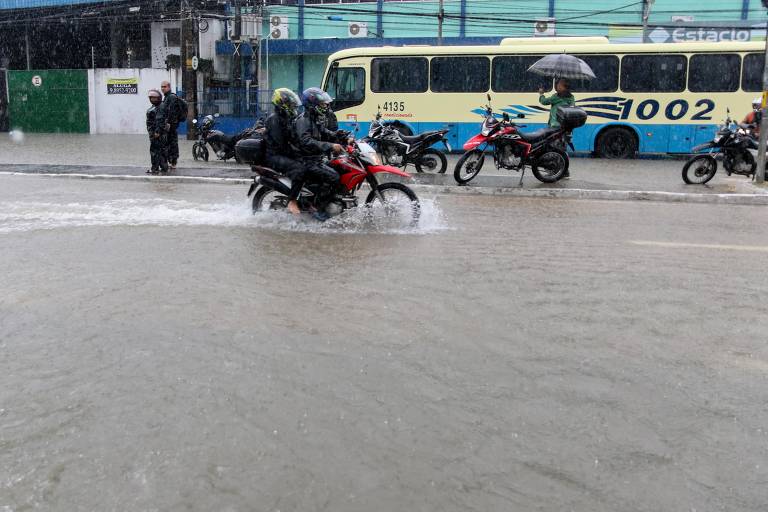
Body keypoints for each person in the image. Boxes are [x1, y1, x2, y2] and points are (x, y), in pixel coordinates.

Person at [294, 87, 348, 220]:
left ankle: (332, 201)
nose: (325, 106)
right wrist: (330, 146)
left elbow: (325, 132)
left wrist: (341, 137)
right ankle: (319, 209)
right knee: (334, 177)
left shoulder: (314, 118)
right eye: (322, 104)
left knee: (340, 168)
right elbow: (306, 141)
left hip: (316, 158)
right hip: (306, 160)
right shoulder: (303, 120)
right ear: (313, 105)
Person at [264, 88, 305, 216]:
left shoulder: (286, 118)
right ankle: (292, 200)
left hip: (282, 153)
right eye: (291, 104)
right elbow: (281, 144)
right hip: (274, 156)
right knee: (299, 169)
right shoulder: (274, 119)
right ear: (282, 104)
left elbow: (294, 138)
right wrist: (298, 153)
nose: (293, 107)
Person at [539, 78, 576, 179]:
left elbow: (544, 102)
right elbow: (572, 108)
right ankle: (564, 171)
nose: (556, 86)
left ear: (565, 87)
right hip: (566, 128)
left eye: (559, 84)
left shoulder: (556, 97)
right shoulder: (571, 97)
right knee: (562, 150)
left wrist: (541, 94)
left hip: (555, 128)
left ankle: (556, 170)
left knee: (553, 149)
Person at [160, 80, 182, 170]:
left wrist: (169, 123)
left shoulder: (171, 97)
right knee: (167, 143)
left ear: (169, 87)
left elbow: (171, 111)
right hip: (168, 125)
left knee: (173, 143)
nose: (162, 88)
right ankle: (170, 161)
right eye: (161, 87)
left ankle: (173, 162)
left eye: (164, 87)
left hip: (171, 125)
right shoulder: (166, 97)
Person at [145, 89, 168, 174]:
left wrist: (157, 132)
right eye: (151, 98)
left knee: (155, 151)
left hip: (157, 133)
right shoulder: (157, 106)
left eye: (154, 98)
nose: (152, 100)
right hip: (156, 132)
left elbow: (160, 120)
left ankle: (154, 168)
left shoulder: (160, 107)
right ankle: (163, 167)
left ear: (159, 98)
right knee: (161, 150)